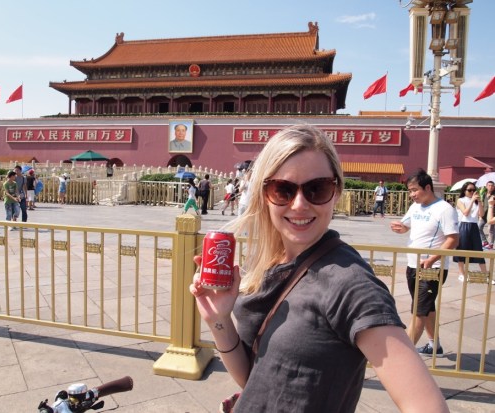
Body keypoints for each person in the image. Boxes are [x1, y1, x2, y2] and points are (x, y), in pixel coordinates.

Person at [190, 125, 449, 413]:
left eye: (317, 189)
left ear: (336, 192)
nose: (299, 204)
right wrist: (219, 320)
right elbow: (254, 379)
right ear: (264, 194)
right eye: (283, 189)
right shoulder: (271, 262)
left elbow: (428, 406)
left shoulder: (349, 283)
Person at [390, 169, 459, 356]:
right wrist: (400, 228)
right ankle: (434, 345)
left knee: (419, 311)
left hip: (432, 269)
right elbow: (406, 226)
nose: (412, 194)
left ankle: (402, 357)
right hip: (413, 265)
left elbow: (453, 239)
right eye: (410, 191)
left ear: (427, 187)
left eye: (415, 190)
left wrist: (432, 258)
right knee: (425, 307)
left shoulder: (445, 209)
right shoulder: (415, 207)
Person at [453, 182, 487, 282]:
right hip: (463, 225)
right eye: (469, 190)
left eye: (473, 190)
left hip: (474, 226)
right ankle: (461, 273)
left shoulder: (476, 201)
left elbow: (482, 214)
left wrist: (479, 201)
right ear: (464, 191)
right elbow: (465, 213)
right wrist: (472, 201)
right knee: (461, 249)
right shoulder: (461, 200)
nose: (472, 192)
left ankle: (485, 274)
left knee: (478, 249)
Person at [478, 180, 494, 249]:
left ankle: (491, 244)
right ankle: (484, 241)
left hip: (492, 214)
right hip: (484, 214)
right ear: (486, 186)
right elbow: (482, 203)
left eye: (492, 186)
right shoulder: (484, 194)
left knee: (491, 230)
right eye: (489, 185)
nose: (490, 187)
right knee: (479, 227)